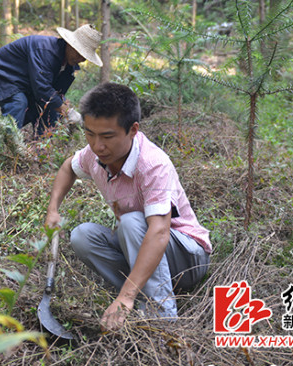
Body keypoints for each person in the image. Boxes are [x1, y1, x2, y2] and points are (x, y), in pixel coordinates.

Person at [45, 83, 212, 332]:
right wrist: (53, 209)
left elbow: (159, 232)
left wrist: (125, 297)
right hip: (145, 247)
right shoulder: (96, 155)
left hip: (188, 258)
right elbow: (68, 168)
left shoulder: (153, 164)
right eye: (90, 134)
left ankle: (161, 319)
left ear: (133, 130)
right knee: (82, 236)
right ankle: (142, 289)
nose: (97, 145)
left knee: (133, 222)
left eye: (107, 136)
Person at [0, 24, 102, 136]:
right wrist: (67, 112)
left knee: (51, 111)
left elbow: (54, 95)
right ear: (70, 45)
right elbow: (42, 89)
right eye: (79, 53)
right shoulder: (45, 51)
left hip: (28, 79)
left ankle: (41, 150)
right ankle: (4, 143)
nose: (81, 59)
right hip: (6, 70)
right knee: (18, 103)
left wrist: (66, 108)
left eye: (85, 57)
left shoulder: (68, 66)